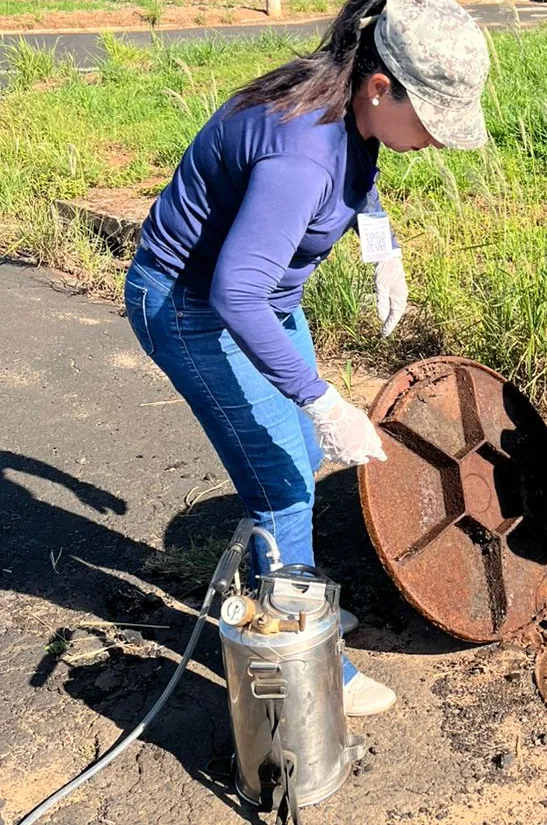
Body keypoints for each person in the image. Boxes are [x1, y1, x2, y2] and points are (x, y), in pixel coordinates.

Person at [123, 0, 489, 715]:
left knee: (291, 453)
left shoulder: (343, 94)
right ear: (381, 87)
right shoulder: (301, 152)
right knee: (284, 483)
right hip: (195, 310)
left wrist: (381, 241)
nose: (438, 144)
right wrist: (321, 396)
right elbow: (235, 293)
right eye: (433, 124)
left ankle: (287, 585)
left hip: (262, 301)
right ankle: (311, 659)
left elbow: (359, 164)